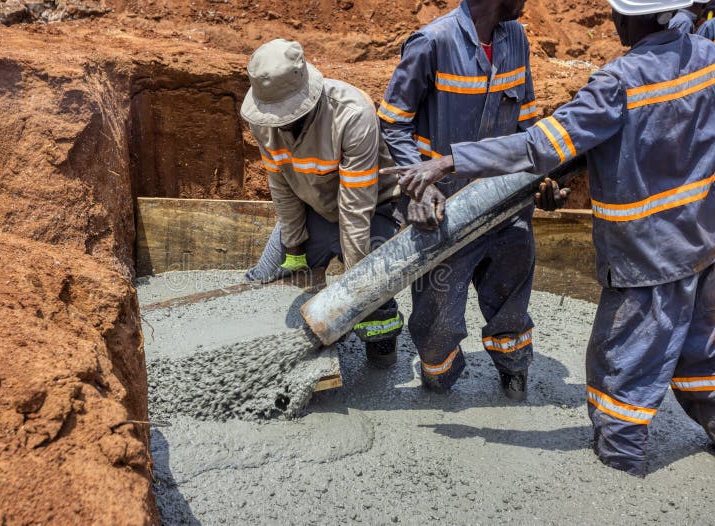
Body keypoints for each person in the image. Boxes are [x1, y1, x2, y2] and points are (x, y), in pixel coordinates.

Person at [382, 0, 715, 476]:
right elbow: (395, 120)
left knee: (618, 366)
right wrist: (431, 182)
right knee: (703, 352)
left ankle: (619, 469)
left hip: (642, 253)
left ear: (639, 17)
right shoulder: (705, 54)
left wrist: (451, 161)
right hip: (700, 239)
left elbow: (537, 139)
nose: (611, 21)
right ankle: (439, 382)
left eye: (618, 12)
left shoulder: (614, 81)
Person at [378, 0, 538, 400]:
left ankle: (514, 371)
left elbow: (529, 120)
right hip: (442, 209)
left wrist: (543, 177)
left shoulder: (515, 38)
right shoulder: (431, 43)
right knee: (436, 321)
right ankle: (438, 377)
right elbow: (394, 123)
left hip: (506, 204)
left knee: (510, 305)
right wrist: (420, 185)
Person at [241, 39, 404, 368]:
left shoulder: (352, 114)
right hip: (314, 209)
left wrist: (355, 289)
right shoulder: (262, 120)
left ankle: (381, 352)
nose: (279, 123)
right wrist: (295, 248)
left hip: (373, 212)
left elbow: (355, 209)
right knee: (267, 278)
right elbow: (281, 186)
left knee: (372, 295)